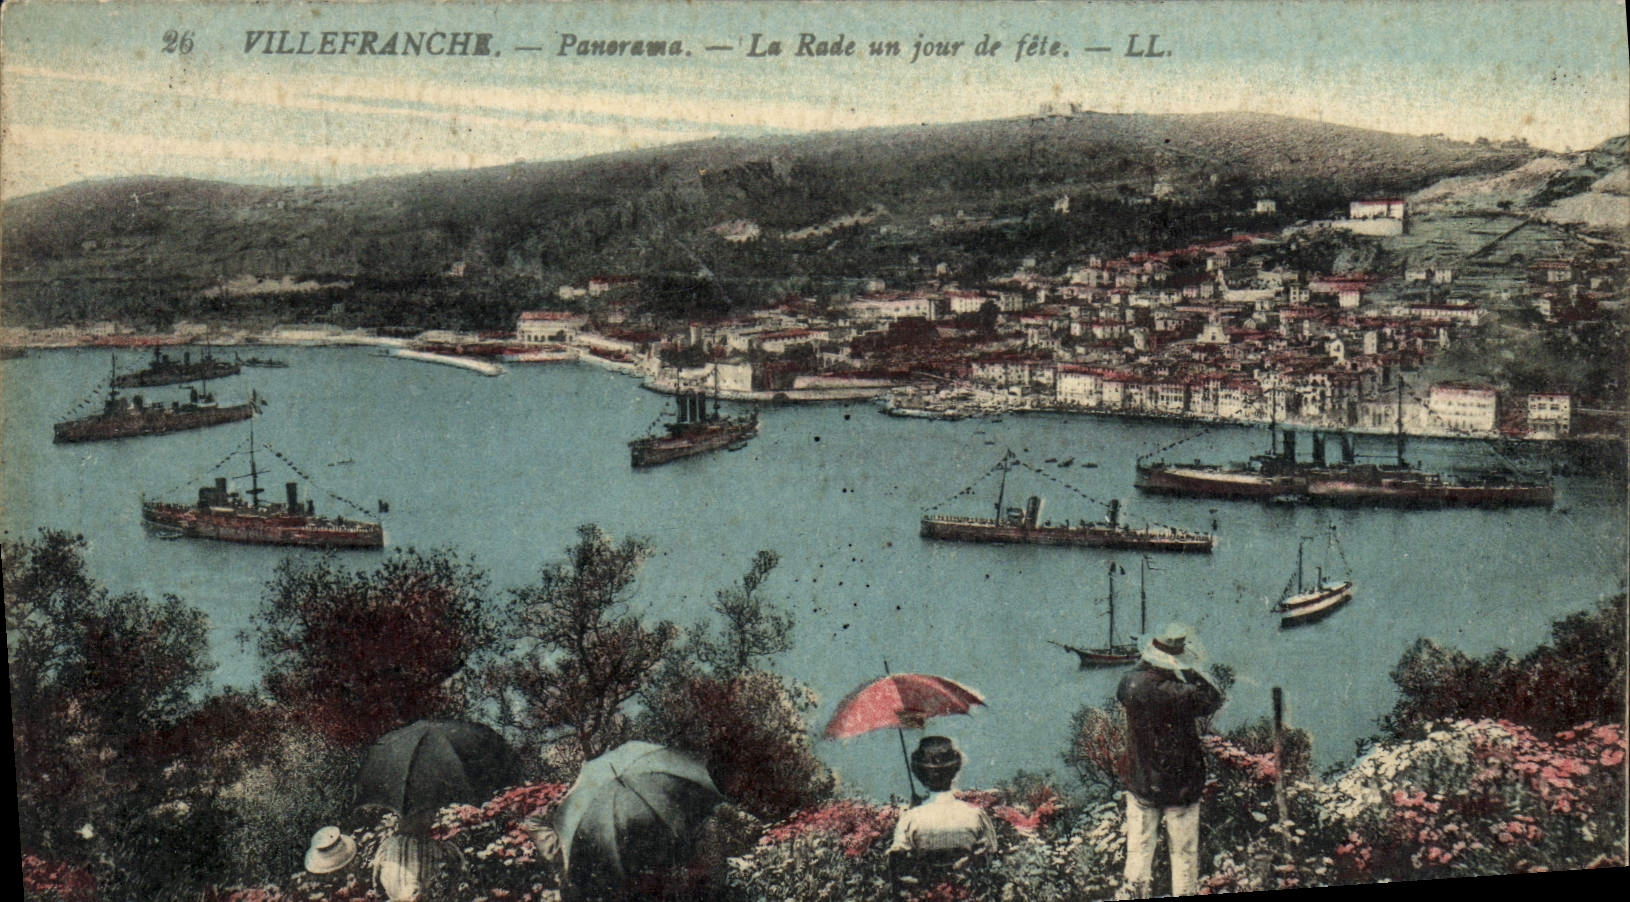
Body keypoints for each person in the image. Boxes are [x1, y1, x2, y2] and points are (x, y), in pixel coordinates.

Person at [1116, 623, 1225, 899]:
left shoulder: (1129, 683)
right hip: (1180, 785)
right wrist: (1189, 669)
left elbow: (1138, 680)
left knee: (1138, 854)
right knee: (1184, 857)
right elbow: (1213, 698)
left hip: (1141, 781)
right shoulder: (1181, 692)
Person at [887, 736, 998, 892]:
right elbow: (989, 857)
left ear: (920, 775)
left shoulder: (910, 819)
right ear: (954, 772)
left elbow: (898, 863)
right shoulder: (975, 815)